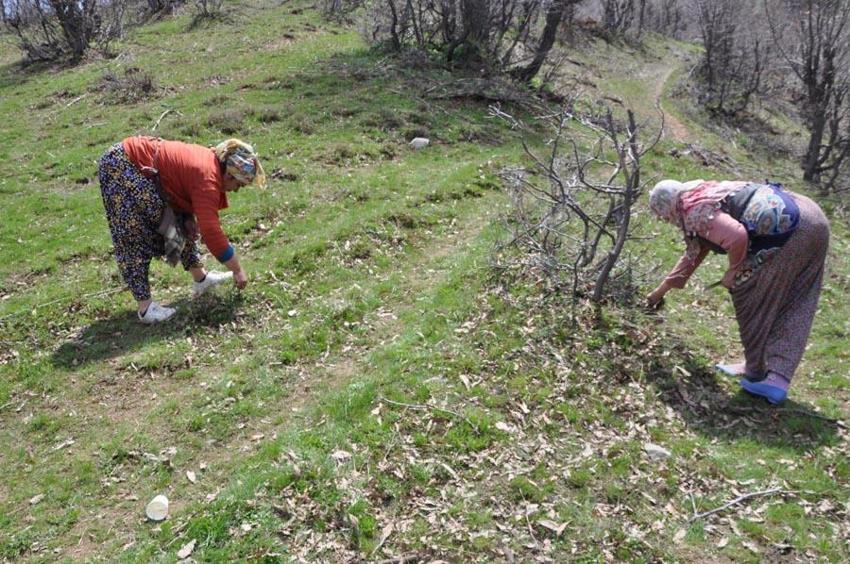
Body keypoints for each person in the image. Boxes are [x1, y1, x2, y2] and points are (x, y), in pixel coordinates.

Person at [646, 179, 829, 405]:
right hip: (813, 218)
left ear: (667, 207)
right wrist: (658, 293)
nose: (666, 221)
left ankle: (756, 371)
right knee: (797, 300)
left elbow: (736, 236)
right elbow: (693, 255)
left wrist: (733, 271)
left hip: (788, 228)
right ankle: (776, 378)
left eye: (663, 216)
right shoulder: (704, 194)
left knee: (748, 292)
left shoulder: (691, 209)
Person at [97, 136, 266, 324]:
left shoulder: (210, 166)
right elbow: (211, 232)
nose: (236, 190)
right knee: (135, 233)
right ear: (229, 175)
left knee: (182, 221)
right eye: (239, 185)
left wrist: (188, 218)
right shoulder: (208, 177)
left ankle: (201, 280)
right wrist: (237, 269)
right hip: (122, 165)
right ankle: (145, 309)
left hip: (144, 170)